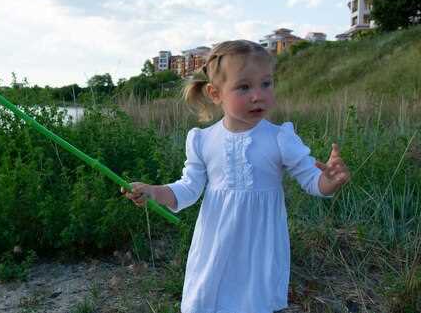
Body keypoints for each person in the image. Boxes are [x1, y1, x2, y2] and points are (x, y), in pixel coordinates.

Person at [121, 40, 350, 313]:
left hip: (259, 245)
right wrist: (154, 191)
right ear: (215, 94)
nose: (258, 95)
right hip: (215, 243)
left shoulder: (280, 137)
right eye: (244, 87)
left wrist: (329, 181)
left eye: (266, 84)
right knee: (210, 299)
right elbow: (188, 188)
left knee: (253, 303)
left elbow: (312, 179)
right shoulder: (202, 140)